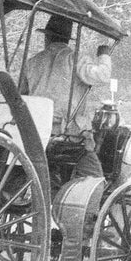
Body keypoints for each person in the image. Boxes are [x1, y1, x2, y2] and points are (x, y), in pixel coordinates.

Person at [21, 16, 112, 178]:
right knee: (96, 177)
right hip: (67, 136)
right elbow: (103, 76)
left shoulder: (33, 61)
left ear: (47, 37)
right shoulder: (75, 59)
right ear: (67, 39)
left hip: (36, 133)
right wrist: (104, 56)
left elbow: (20, 95)